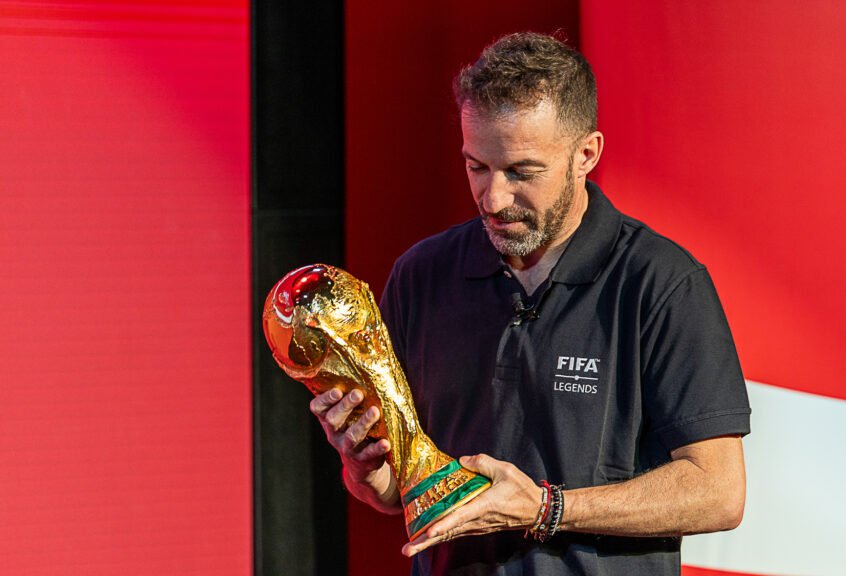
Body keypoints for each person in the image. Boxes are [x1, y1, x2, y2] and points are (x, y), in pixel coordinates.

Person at [310, 32, 751, 575]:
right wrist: (366, 466)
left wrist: (547, 509)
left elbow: (718, 490)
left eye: (522, 172)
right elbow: (396, 492)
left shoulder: (661, 283)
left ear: (586, 154)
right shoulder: (420, 276)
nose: (494, 199)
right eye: (477, 167)